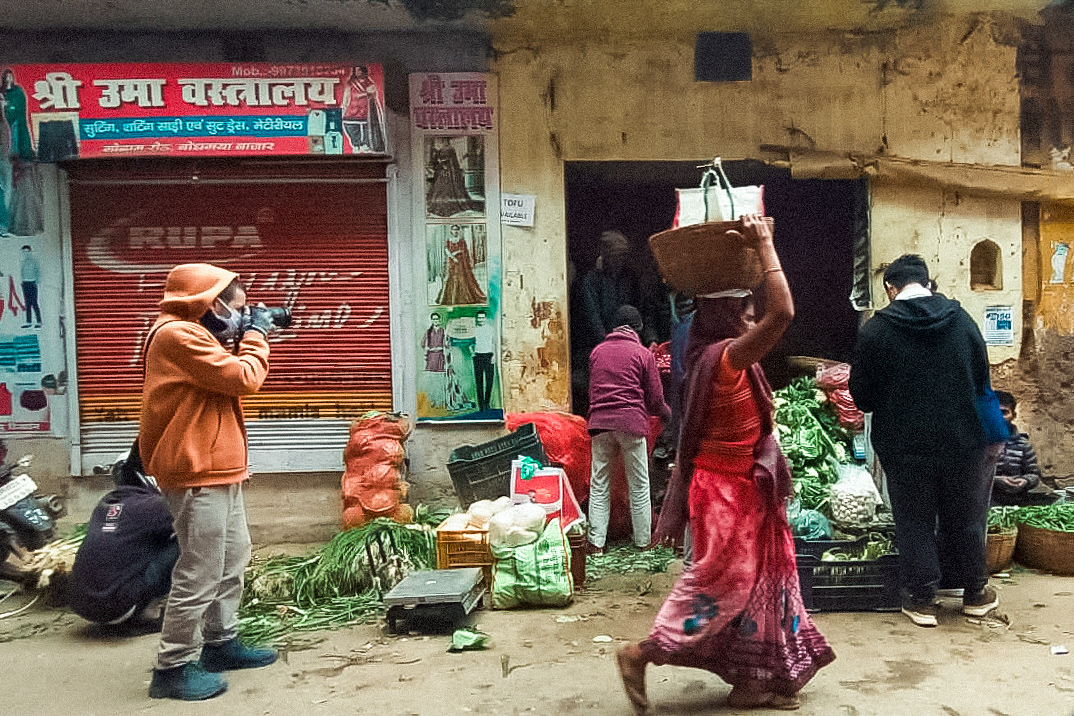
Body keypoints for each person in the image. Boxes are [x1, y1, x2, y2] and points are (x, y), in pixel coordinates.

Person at [615, 216, 834, 713]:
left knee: (766, 582)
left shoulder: (716, 353)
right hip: (723, 492)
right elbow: (784, 314)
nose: (755, 317)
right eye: (747, 308)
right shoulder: (726, 357)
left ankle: (754, 680)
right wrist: (765, 244)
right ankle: (643, 652)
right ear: (729, 312)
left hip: (748, 489)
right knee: (723, 581)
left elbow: (771, 317)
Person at [140, 263, 281, 701]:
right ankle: (173, 666)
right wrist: (257, 334)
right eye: (233, 308)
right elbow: (243, 378)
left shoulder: (197, 333)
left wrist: (244, 331)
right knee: (199, 567)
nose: (237, 316)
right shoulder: (176, 335)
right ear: (207, 302)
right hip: (194, 467)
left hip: (218, 465)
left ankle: (221, 643)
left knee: (233, 556)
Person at [848, 254, 999, 628]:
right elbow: (982, 378)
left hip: (904, 446)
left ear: (890, 288)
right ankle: (975, 593)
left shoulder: (876, 331)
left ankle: (923, 600)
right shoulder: (962, 321)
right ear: (928, 283)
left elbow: (862, 396)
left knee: (914, 518)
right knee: (964, 515)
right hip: (963, 439)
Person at [586, 304, 670, 553]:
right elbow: (655, 400)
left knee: (599, 483)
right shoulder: (642, 354)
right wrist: (668, 416)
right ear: (638, 328)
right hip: (631, 424)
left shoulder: (597, 352)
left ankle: (596, 543)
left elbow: (593, 391)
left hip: (600, 424)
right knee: (639, 485)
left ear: (614, 328)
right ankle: (643, 542)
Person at [68, 456, 179, 631]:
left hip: (83, 605)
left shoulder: (105, 504)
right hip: (117, 606)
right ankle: (149, 610)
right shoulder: (152, 505)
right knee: (188, 539)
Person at [991, 390, 1043, 506]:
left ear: (1013, 416)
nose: (999, 417)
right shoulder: (980, 445)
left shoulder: (1023, 445)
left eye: (1004, 412)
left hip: (1017, 504)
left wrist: (1025, 481)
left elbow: (1034, 474)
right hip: (987, 505)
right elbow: (972, 477)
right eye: (995, 412)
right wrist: (996, 480)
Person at [426, 139, 479, 217]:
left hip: (448, 172)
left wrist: (442, 162)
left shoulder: (449, 149)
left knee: (446, 189)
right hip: (445, 172)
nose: (441, 142)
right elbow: (439, 161)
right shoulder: (443, 149)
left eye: (442, 141)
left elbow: (450, 161)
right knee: (440, 189)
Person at [437, 224, 486, 305]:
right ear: (451, 231)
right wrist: (453, 257)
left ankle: (464, 298)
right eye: (454, 229)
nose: (455, 231)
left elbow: (465, 251)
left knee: (462, 278)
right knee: (452, 278)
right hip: (452, 263)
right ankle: (452, 299)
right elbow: (447, 250)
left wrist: (465, 260)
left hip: (461, 263)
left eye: (457, 229)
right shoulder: (448, 241)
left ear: (459, 231)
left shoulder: (462, 241)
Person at [340, 66, 385, 153]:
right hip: (351, 115)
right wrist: (343, 109)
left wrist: (365, 93)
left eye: (359, 70)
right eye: (356, 70)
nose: (358, 72)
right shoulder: (350, 84)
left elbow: (372, 91)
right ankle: (356, 146)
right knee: (353, 132)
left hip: (365, 115)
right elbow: (347, 98)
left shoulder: (369, 83)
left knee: (365, 135)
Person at [472, 310, 496, 412]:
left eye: (482, 318)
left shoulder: (490, 329)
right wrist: (471, 352)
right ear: (477, 319)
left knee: (489, 381)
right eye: (479, 318)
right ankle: (481, 405)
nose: (481, 319)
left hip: (489, 355)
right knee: (479, 382)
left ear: (485, 318)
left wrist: (494, 355)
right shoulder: (473, 330)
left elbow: (494, 342)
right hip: (478, 355)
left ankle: (487, 403)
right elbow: (469, 342)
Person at [421, 312, 447, 408]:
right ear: (432, 320)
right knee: (432, 381)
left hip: (440, 357)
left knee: (440, 380)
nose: (436, 321)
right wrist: (428, 349)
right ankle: (433, 400)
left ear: (439, 320)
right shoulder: (428, 332)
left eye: (437, 319)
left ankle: (440, 400)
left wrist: (441, 349)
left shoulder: (443, 331)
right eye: (434, 319)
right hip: (431, 358)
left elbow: (447, 344)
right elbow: (423, 344)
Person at [20, 245, 40, 329]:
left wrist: (36, 282)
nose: (25, 254)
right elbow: (22, 273)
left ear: (30, 252)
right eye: (24, 252)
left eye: (27, 252)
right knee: (27, 303)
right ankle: (28, 321)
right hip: (25, 283)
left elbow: (37, 272)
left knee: (34, 303)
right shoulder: (23, 262)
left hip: (32, 283)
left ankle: (39, 321)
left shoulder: (34, 262)